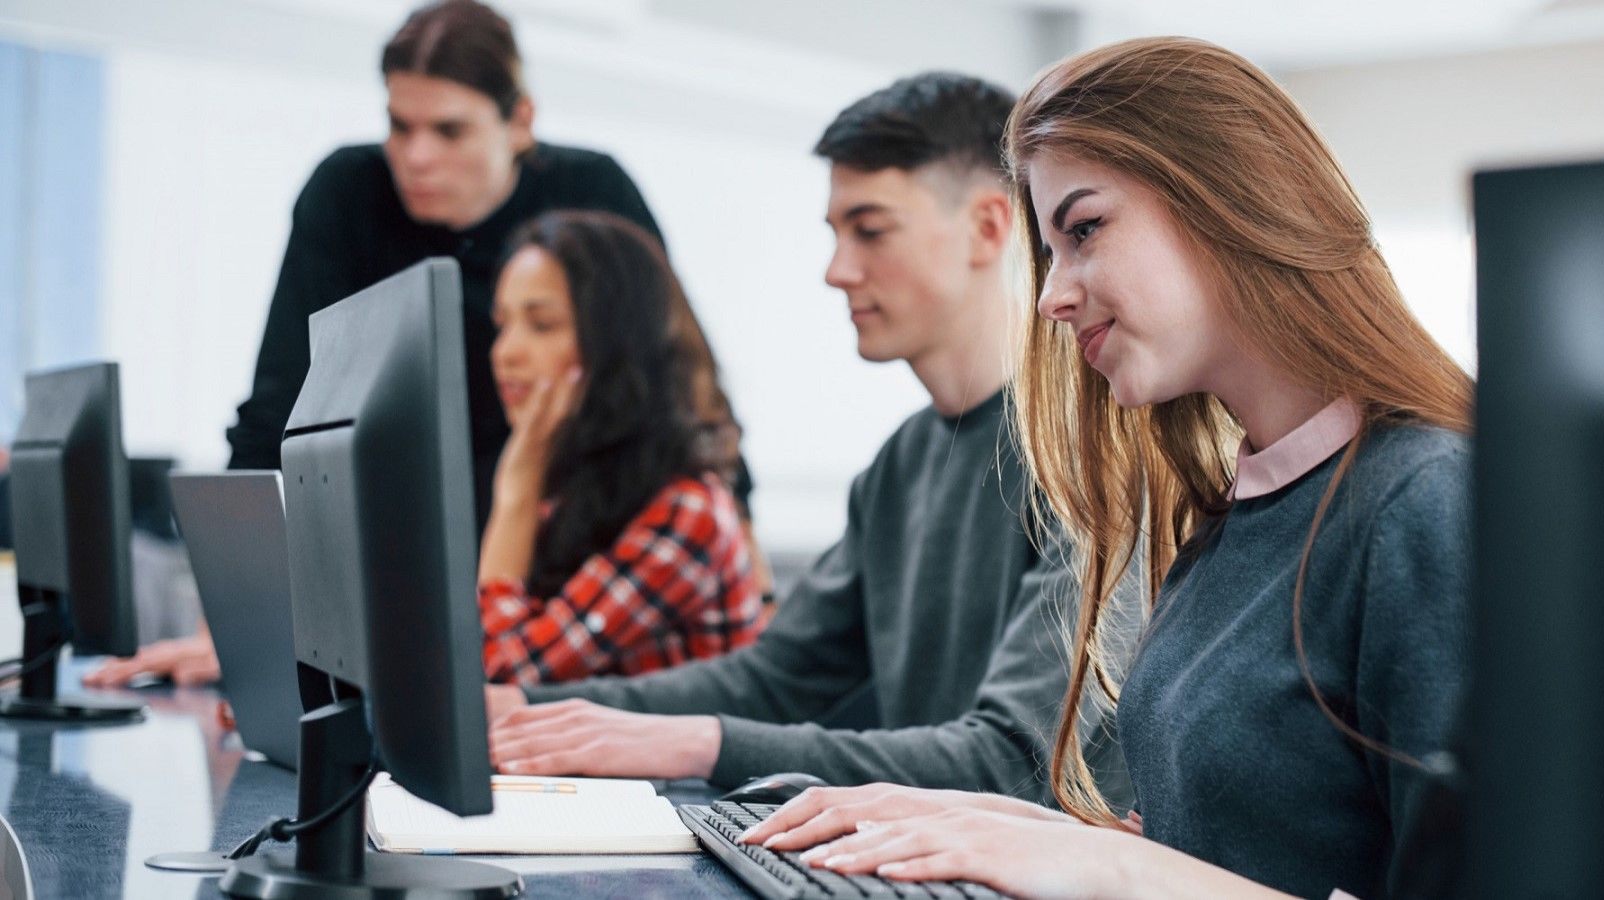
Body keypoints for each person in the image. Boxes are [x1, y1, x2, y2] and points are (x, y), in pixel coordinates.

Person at [738, 37, 1474, 900]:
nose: (1050, 294)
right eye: (1050, 251)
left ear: (1230, 199)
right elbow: (1224, 857)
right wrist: (993, 824)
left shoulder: (1423, 499)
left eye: (1084, 230)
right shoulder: (1229, 516)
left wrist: (1112, 866)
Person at [482, 72, 1132, 808]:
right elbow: (774, 677)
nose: (837, 271)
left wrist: (699, 741)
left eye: (871, 230)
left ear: (988, 226)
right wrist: (531, 708)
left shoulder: (1092, 450)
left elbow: (1013, 763)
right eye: (836, 234)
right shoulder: (901, 466)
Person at [85, 0, 763, 689]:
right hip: (415, 535)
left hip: (558, 525)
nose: (417, 156)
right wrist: (233, 628)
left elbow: (676, 370)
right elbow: (279, 407)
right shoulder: (349, 193)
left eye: (449, 130)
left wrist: (741, 551)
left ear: (519, 121)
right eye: (399, 126)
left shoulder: (591, 197)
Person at [480, 210, 764, 684]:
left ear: (614, 344)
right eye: (503, 324)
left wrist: (517, 484)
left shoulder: (686, 512)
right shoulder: (577, 489)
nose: (505, 352)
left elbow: (507, 674)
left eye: (542, 325)